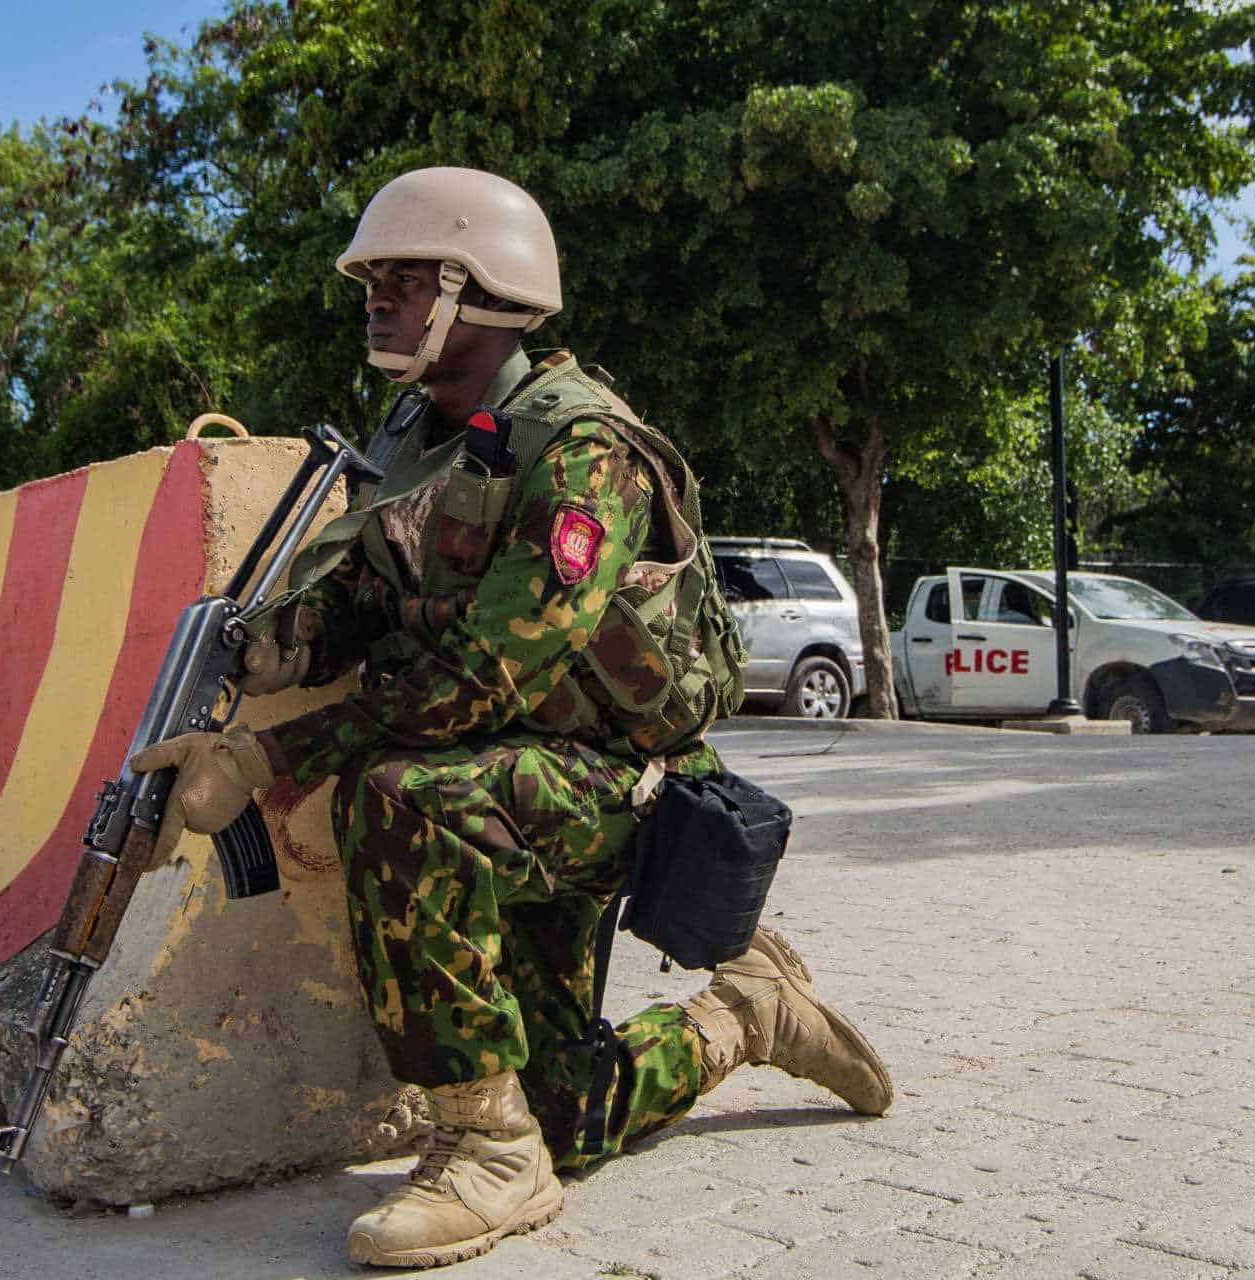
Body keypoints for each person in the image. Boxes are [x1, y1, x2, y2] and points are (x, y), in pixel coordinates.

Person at [129, 167, 893, 1269]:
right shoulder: (413, 434)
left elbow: (481, 671)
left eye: (400, 280)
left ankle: (485, 1148)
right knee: (577, 1112)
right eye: (371, 283)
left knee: (400, 798)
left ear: (475, 289)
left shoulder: (588, 450)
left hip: (617, 784)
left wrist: (265, 754)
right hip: (518, 788)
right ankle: (750, 1013)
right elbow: (364, 593)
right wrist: (265, 649)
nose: (375, 302)